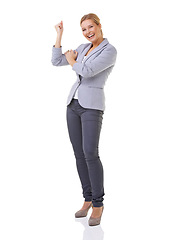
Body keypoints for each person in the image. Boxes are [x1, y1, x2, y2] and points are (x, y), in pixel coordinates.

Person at [51, 13, 117, 226]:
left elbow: (87, 72)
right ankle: (87, 198)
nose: (88, 32)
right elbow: (56, 60)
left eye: (90, 27)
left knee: (90, 153)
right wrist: (59, 36)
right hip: (73, 105)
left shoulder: (109, 51)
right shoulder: (81, 47)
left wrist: (72, 61)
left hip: (92, 107)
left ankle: (98, 204)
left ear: (99, 26)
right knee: (79, 154)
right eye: (84, 29)